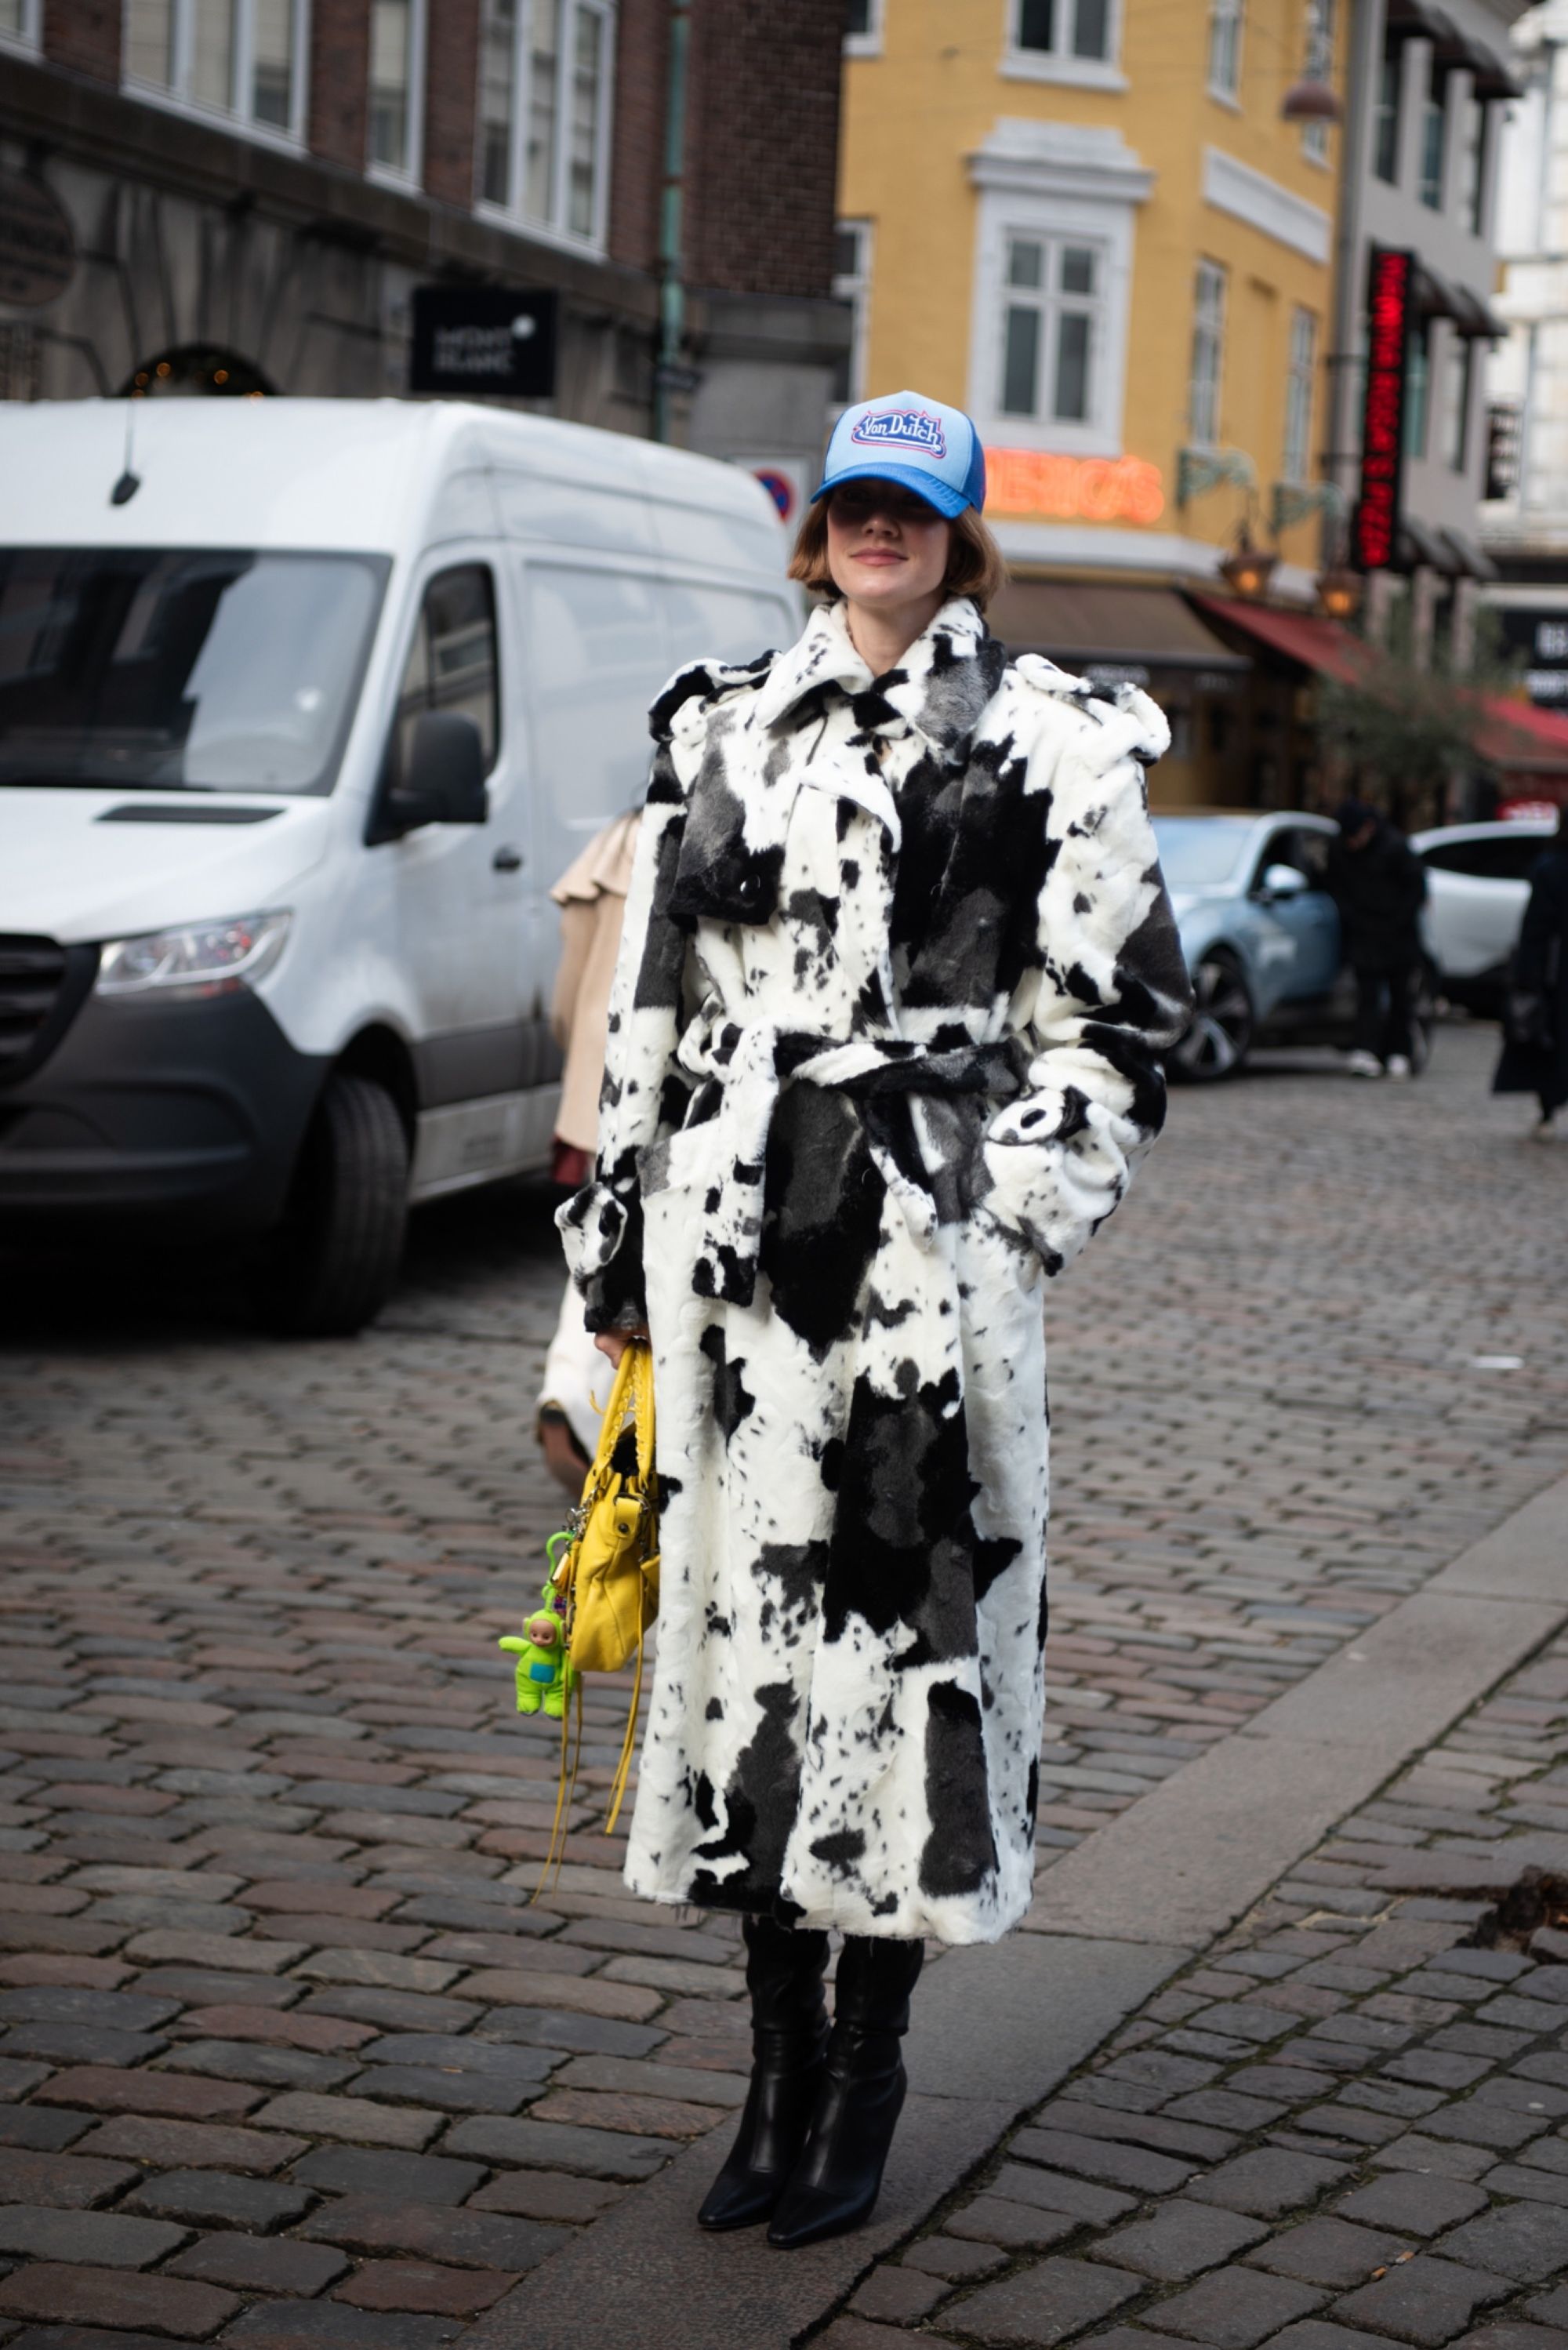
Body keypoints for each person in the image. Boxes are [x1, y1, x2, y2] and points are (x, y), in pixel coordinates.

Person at [556, 389, 1192, 2249]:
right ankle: (771, 2064)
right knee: (743, 1663)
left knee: (904, 1665)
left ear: (960, 532)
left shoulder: (1052, 740)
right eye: (850, 501)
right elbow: (652, 1008)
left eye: (908, 505)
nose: (874, 530)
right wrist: (613, 1265)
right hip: (735, 1277)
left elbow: (1119, 1023)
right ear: (814, 525)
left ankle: (869, 2061)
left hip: (924, 1291)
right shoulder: (723, 726)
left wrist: (1000, 1216)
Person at [535, 812, 641, 1494]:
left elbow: (567, 995)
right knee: (630, 1257)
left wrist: (580, 1060)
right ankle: (579, 1400)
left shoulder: (620, 841)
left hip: (604, 1076)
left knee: (600, 1244)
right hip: (683, 1083)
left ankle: (571, 1396)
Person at [1326, 797, 1428, 1078]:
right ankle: (1366, 1049)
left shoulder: (1395, 846)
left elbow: (1415, 888)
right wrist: (1352, 917)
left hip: (1398, 934)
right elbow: (1335, 886)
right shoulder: (1340, 849)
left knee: (1400, 997)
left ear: (1368, 827)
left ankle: (1399, 1052)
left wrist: (1397, 921)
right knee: (1367, 995)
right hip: (1364, 932)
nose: (1352, 843)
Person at [1492, 808, 1568, 1140]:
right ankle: (1548, 1107)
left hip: (1554, 969)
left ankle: (1548, 1109)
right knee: (1552, 1038)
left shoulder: (1549, 865)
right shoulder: (1550, 866)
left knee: (1552, 1040)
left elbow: (1535, 927)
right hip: (1555, 968)